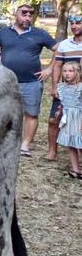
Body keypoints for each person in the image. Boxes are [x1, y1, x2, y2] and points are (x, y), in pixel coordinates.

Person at [0, 4, 57, 157]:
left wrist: (50, 68)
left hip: (32, 82)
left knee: (31, 114)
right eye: (24, 13)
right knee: (4, 113)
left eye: (30, 14)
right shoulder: (2, 33)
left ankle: (25, 145)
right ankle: (5, 142)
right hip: (6, 82)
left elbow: (59, 49)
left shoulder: (40, 34)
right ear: (15, 14)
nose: (27, 17)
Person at [47, 13, 82, 160]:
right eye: (72, 24)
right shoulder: (64, 45)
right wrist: (55, 86)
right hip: (66, 90)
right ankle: (52, 151)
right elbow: (57, 66)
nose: (74, 26)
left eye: (78, 23)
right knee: (54, 119)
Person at [55, 61, 82, 180]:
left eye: (70, 71)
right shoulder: (62, 87)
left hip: (79, 119)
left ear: (77, 72)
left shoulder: (80, 88)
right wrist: (60, 110)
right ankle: (76, 170)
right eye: (65, 71)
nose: (67, 74)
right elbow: (63, 103)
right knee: (71, 144)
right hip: (68, 119)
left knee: (80, 144)